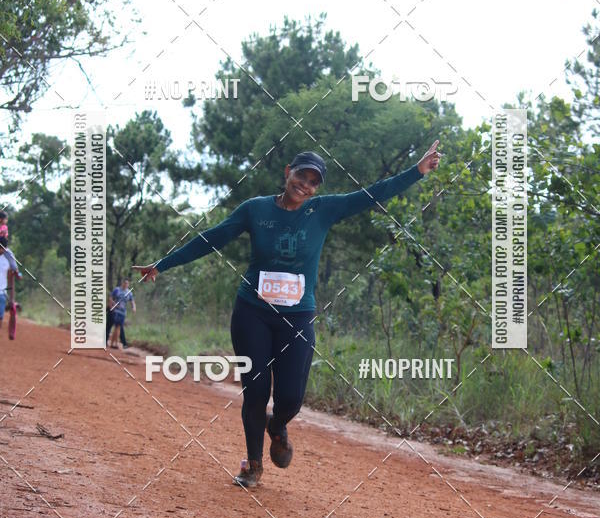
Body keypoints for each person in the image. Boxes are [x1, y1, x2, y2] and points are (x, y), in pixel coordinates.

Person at [133, 141, 442, 488]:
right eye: (301, 176)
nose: (305, 185)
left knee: (292, 398)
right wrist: (163, 264)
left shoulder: (323, 210)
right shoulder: (256, 210)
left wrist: (417, 171)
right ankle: (253, 465)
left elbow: (373, 194)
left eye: (313, 182)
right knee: (255, 390)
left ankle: (278, 425)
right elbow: (212, 238)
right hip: (252, 312)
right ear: (287, 173)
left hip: (297, 318)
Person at [108, 278, 136, 349]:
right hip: (116, 311)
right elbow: (111, 298)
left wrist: (134, 307)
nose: (125, 285)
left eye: (127, 283)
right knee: (117, 327)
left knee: (118, 327)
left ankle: (113, 343)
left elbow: (132, 301)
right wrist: (113, 305)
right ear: (122, 283)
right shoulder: (117, 290)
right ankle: (115, 343)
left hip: (123, 312)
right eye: (124, 283)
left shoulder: (129, 292)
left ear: (128, 284)